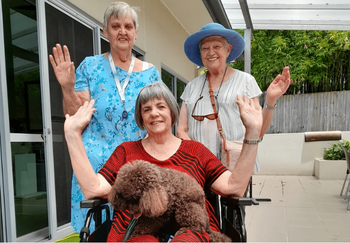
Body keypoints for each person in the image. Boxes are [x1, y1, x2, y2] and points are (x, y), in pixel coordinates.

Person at [63, 81, 263, 242]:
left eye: (161, 106)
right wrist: (72, 135)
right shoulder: (126, 151)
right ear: (141, 118)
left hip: (192, 232)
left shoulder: (196, 151)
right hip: (135, 233)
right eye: (146, 109)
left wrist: (253, 131)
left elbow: (233, 186)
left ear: (172, 113)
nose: (154, 113)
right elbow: (93, 189)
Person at [49, 2, 161, 232]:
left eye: (128, 26)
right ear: (105, 30)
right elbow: (74, 116)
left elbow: (159, 121)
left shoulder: (151, 73)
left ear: (136, 32)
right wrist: (68, 88)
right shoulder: (90, 67)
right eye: (115, 25)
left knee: (139, 231)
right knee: (98, 232)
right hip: (95, 167)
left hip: (136, 166)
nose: (122, 31)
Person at [177, 23, 290, 169]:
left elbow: (258, 131)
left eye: (217, 47)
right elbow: (181, 130)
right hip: (199, 166)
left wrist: (270, 99)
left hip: (236, 165)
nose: (211, 52)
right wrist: (197, 155)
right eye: (205, 48)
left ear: (228, 49)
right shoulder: (192, 87)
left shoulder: (246, 81)